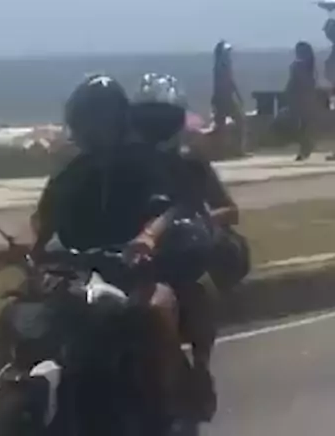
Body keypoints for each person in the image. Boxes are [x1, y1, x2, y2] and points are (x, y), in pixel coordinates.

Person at [30, 74, 215, 422]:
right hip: (82, 275)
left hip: (138, 269)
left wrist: (149, 236)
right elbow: (45, 220)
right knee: (34, 315)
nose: (90, 130)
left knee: (155, 310)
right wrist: (26, 250)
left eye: (98, 120)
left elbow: (170, 205)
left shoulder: (146, 163)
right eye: (84, 122)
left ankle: (169, 404)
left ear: (117, 120)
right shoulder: (70, 174)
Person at [130, 73, 240, 418]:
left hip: (179, 250)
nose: (155, 126)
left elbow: (231, 210)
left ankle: (200, 367)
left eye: (162, 117)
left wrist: (200, 220)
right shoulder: (127, 162)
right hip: (133, 253)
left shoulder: (191, 162)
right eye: (149, 118)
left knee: (199, 288)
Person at [212, 40, 245, 156]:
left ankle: (232, 150)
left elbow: (231, 82)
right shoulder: (221, 67)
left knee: (228, 124)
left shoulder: (223, 66)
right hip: (223, 100)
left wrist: (238, 95)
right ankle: (229, 150)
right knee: (235, 122)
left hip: (224, 99)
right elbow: (225, 83)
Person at [286, 41, 318, 161]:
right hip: (302, 98)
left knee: (300, 125)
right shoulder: (307, 66)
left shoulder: (299, 66)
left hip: (300, 98)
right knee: (302, 125)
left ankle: (306, 147)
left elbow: (300, 82)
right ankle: (306, 147)